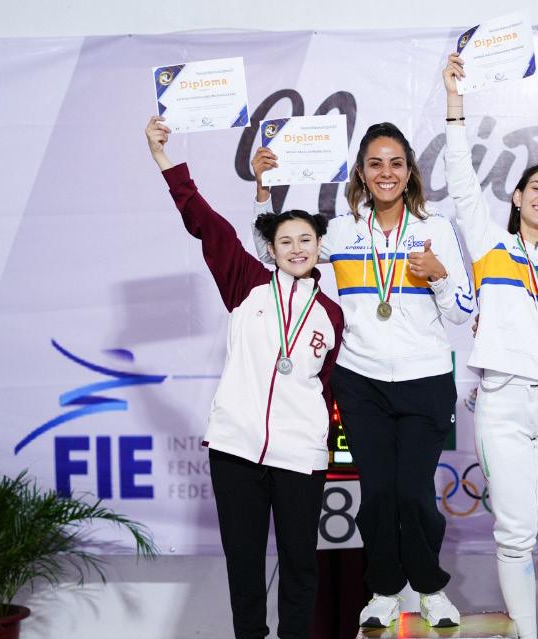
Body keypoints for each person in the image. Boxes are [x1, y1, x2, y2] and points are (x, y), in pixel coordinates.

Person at [251, 122, 473, 629]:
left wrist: (439, 275)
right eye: (376, 164)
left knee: (413, 493)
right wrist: (263, 191)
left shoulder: (436, 229)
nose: (386, 173)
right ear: (361, 172)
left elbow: (463, 311)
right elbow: (276, 256)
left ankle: (430, 588)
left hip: (425, 379)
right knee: (376, 494)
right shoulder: (341, 231)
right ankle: (384, 590)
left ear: (410, 171)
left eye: (396, 163)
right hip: (361, 381)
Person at [145, 115, 344, 639]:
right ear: (271, 249)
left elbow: (326, 385)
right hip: (236, 449)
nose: (297, 248)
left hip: (299, 453)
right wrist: (164, 158)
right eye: (286, 240)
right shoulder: (246, 285)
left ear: (319, 247)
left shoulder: (331, 314)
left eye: (306, 239)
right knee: (245, 565)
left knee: (301, 564)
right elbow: (206, 223)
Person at [441, 53, 538, 639]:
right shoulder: (490, 246)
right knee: (514, 533)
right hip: (501, 400)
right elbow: (460, 178)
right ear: (518, 196)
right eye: (537, 188)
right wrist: (455, 102)